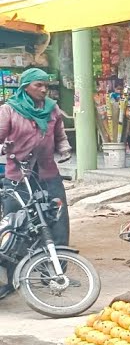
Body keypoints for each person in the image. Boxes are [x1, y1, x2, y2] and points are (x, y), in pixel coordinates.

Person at [0, 68, 71, 246]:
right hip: (18, 175)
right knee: (15, 220)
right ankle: (17, 262)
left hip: (48, 173)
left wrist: (64, 149)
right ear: (25, 86)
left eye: (46, 85)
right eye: (38, 85)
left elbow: (60, 136)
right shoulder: (9, 110)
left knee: (57, 217)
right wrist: (3, 148)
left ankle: (57, 259)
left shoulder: (52, 109)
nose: (44, 89)